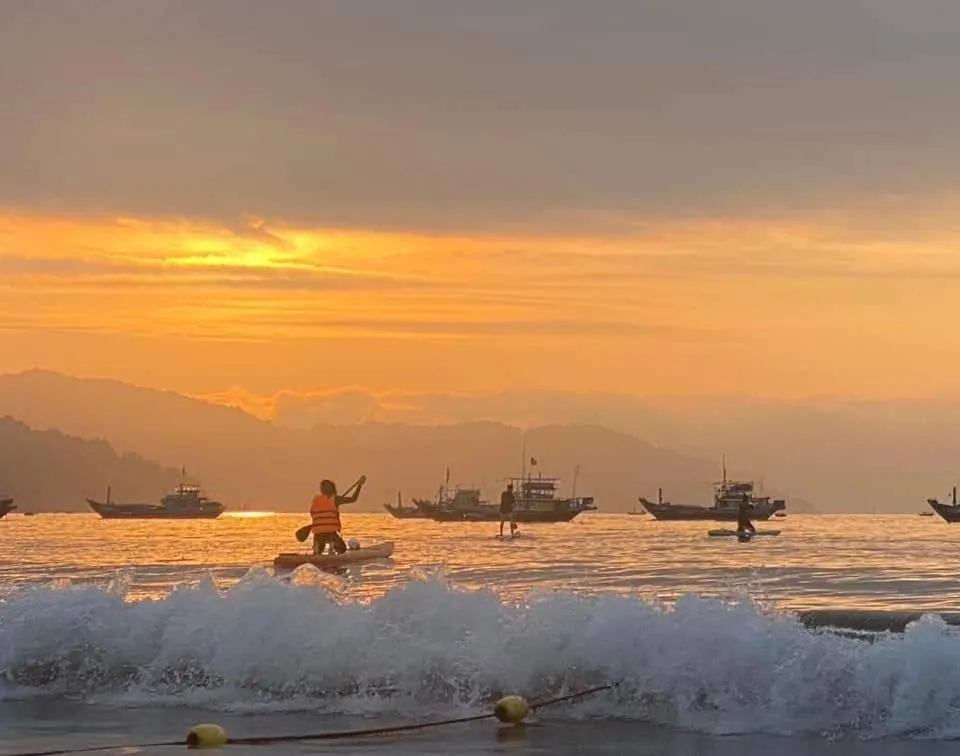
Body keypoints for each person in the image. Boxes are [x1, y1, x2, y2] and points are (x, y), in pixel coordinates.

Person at [311, 476, 365, 555]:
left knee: (318, 553)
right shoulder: (336, 499)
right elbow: (353, 499)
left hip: (318, 534)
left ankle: (317, 549)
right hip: (331, 533)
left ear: (322, 490)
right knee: (342, 550)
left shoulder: (316, 500)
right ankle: (332, 545)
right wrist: (359, 485)